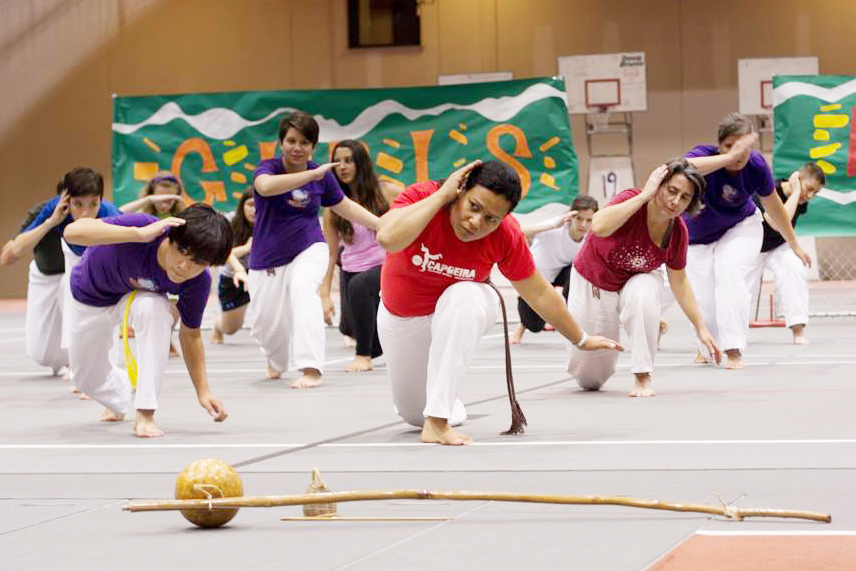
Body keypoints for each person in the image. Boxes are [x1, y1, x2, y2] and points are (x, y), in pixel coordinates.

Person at [375, 159, 622, 446]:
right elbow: (387, 237)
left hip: (459, 311)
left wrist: (580, 338)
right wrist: (442, 196)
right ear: (461, 190)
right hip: (402, 319)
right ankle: (439, 409)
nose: (476, 223)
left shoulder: (507, 235)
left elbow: (539, 292)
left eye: (491, 219)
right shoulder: (423, 197)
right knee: (412, 414)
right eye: (474, 207)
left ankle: (438, 419)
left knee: (466, 294)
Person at [63, 204, 231, 438]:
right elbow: (72, 232)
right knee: (84, 379)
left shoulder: (197, 282)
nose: (185, 266)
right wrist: (137, 235)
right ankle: (119, 391)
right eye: (182, 251)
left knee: (156, 311)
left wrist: (203, 392)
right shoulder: (143, 226)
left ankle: (145, 411)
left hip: (137, 299)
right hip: (92, 295)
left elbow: (190, 335)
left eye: (198, 262)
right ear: (171, 238)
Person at [568, 160, 722, 397]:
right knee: (590, 379)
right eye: (672, 191)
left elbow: (679, 282)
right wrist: (643, 197)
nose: (675, 201)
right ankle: (599, 358)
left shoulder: (678, 232)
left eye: (684, 197)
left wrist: (701, 327)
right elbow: (597, 226)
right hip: (594, 280)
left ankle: (642, 376)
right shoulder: (631, 199)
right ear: (658, 185)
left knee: (645, 294)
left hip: (637, 279)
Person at [250, 111, 381, 388]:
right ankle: (276, 357)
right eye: (291, 141)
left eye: (305, 143)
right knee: (266, 326)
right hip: (267, 259)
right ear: (281, 142)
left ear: (313, 146)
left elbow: (344, 206)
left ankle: (311, 369)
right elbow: (264, 187)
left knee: (303, 291)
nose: (297, 148)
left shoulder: (322, 176)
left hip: (308, 248)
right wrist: (310, 174)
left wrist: (380, 224)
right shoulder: (269, 168)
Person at [683, 113, 811, 369]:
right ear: (719, 145)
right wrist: (728, 158)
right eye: (731, 145)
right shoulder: (703, 155)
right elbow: (681, 167)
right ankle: (710, 347)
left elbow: (774, 208)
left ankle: (734, 349)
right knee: (704, 302)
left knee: (729, 272)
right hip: (698, 239)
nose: (739, 153)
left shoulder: (756, 166)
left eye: (744, 146)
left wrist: (794, 243)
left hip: (741, 228)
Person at [0, 168, 121, 383]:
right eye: (78, 204)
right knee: (42, 353)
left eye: (93, 204)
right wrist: (51, 222)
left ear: (101, 200)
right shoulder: (47, 211)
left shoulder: (109, 214)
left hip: (82, 277)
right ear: (65, 200)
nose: (85, 212)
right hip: (46, 276)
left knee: (74, 289)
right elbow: (8, 257)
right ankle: (66, 359)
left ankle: (82, 363)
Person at [320, 140, 402, 372]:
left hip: (385, 266)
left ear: (361, 163)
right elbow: (330, 251)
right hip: (351, 269)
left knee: (358, 286)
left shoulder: (385, 191)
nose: (342, 167)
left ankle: (363, 356)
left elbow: (416, 209)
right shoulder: (333, 206)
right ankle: (374, 344)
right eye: (338, 162)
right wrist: (325, 294)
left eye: (349, 161)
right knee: (348, 328)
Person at [746, 162, 824, 345]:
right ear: (798, 179)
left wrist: (799, 194)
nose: (810, 195)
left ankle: (798, 330)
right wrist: (796, 192)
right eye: (809, 188)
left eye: (816, 193)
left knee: (794, 267)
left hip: (777, 247)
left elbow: (785, 227)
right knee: (741, 289)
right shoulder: (768, 189)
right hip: (752, 246)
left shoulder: (801, 201)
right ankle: (723, 333)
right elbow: (776, 222)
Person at [510, 195, 599, 344]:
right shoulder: (555, 227)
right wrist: (551, 225)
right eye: (579, 219)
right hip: (538, 278)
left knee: (581, 271)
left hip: (564, 274)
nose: (583, 224)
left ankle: (575, 325)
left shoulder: (591, 238)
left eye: (588, 220)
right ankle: (522, 325)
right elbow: (519, 232)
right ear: (571, 216)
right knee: (534, 325)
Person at [211, 189, 255, 344]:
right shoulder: (229, 221)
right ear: (242, 205)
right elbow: (221, 253)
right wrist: (247, 248)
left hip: (261, 275)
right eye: (250, 205)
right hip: (233, 278)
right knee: (231, 328)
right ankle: (217, 326)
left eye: (259, 206)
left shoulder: (270, 222)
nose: (254, 210)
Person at [119, 171, 186, 218]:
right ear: (151, 194)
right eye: (159, 199)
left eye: (170, 200)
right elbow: (117, 214)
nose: (164, 205)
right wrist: (148, 199)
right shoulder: (141, 214)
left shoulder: (183, 217)